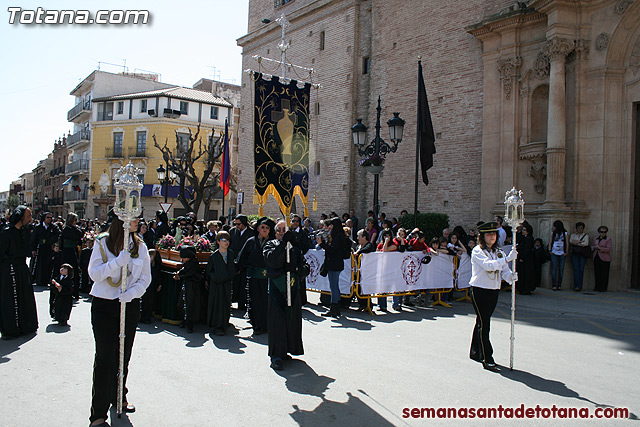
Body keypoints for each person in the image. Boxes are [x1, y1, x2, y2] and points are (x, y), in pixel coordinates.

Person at [87, 214, 151, 426]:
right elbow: (94, 274)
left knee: (124, 354)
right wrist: (116, 263)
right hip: (105, 304)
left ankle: (119, 396)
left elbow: (145, 278)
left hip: (128, 304)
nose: (137, 221)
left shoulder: (140, 245)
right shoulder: (103, 242)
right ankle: (97, 414)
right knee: (106, 357)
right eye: (133, 218)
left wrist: (132, 293)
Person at [469, 221, 517, 371]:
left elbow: (504, 269)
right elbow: (489, 265)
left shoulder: (499, 251)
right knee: (485, 324)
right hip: (479, 289)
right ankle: (487, 357)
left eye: (494, 234)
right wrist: (507, 259)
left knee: (482, 321)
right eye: (489, 234)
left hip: (493, 290)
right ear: (482, 236)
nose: (492, 237)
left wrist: (511, 277)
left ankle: (475, 351)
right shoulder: (477, 251)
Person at [263, 220, 307, 371]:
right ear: (275, 232)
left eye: (285, 230)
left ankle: (286, 349)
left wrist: (296, 268)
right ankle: (275, 355)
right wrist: (283, 245)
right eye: (279, 230)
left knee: (291, 321)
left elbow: (304, 266)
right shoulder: (270, 245)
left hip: (293, 290)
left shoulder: (295, 248)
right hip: (277, 289)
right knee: (277, 322)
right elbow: (272, 260)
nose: (282, 232)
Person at [0, 206, 38, 340]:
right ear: (20, 217)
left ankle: (25, 325)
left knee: (25, 297)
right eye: (28, 216)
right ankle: (11, 328)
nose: (30, 219)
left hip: (22, 268)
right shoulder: (6, 232)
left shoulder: (24, 231)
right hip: (9, 269)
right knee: (11, 299)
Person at [236, 217, 274, 335]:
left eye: (267, 228)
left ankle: (268, 325)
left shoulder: (273, 243)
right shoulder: (251, 241)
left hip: (269, 278)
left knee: (268, 302)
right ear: (257, 228)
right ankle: (257, 325)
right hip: (254, 277)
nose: (264, 230)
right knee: (255, 301)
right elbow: (241, 258)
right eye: (262, 227)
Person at [316, 217, 351, 318]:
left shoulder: (339, 236)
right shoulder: (337, 235)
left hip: (335, 264)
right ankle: (336, 307)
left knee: (334, 287)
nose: (329, 227)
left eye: (331, 225)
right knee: (334, 286)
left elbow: (333, 250)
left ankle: (334, 308)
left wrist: (321, 244)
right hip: (334, 263)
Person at [206, 231, 237, 336]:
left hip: (227, 283)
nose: (226, 242)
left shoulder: (231, 254)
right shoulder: (214, 256)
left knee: (226, 303)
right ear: (218, 242)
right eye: (224, 240)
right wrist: (216, 278)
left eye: (228, 240)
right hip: (217, 284)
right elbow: (209, 271)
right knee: (217, 304)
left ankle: (224, 323)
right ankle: (217, 326)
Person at [173, 246, 203, 333]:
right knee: (181, 303)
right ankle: (184, 320)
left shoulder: (194, 263)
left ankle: (190, 324)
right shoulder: (189, 262)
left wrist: (179, 276)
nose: (183, 260)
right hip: (186, 284)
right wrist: (179, 273)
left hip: (192, 286)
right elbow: (184, 269)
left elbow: (189, 273)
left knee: (190, 304)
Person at [229, 215, 256, 311]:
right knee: (233, 283)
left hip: (245, 262)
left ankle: (242, 303)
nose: (236, 226)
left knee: (243, 284)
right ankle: (231, 302)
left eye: (238, 224)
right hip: (233, 261)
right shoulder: (232, 231)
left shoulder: (251, 233)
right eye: (235, 223)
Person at [30, 211, 59, 287]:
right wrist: (33, 249)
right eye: (47, 217)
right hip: (40, 248)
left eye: (50, 217)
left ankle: (47, 280)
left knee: (48, 264)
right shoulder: (38, 227)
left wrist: (51, 241)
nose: (49, 219)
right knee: (39, 264)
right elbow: (33, 239)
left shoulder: (53, 227)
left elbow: (58, 234)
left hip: (49, 248)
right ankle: (38, 280)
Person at [60, 212, 84, 298]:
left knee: (75, 272)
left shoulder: (74, 229)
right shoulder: (67, 229)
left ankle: (75, 291)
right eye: (75, 220)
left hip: (74, 251)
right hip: (67, 252)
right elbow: (75, 236)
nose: (76, 222)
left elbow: (81, 235)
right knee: (68, 270)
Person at [354, 229, 375, 311]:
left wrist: (358, 253)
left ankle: (368, 304)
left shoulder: (369, 245)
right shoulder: (358, 246)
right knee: (358, 287)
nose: (357, 238)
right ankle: (361, 304)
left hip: (367, 271)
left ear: (364, 237)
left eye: (359, 236)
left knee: (365, 287)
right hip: (358, 270)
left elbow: (367, 250)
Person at [569, 222, 590, 291]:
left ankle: (580, 285)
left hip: (582, 254)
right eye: (578, 228)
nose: (580, 229)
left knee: (581, 269)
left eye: (581, 228)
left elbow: (586, 243)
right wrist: (580, 242)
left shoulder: (586, 235)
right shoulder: (573, 235)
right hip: (575, 253)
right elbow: (571, 241)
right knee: (576, 269)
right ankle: (576, 285)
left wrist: (576, 242)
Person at [515, 222, 535, 295]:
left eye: (524, 230)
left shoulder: (529, 238)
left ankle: (526, 289)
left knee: (526, 274)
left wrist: (523, 257)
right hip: (523, 258)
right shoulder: (524, 238)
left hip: (526, 260)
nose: (523, 231)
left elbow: (527, 249)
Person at [549, 220, 568, 291]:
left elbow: (567, 243)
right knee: (554, 268)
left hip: (562, 253)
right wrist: (550, 250)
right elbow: (550, 241)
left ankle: (559, 284)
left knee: (561, 269)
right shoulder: (553, 233)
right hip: (554, 252)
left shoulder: (565, 233)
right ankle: (554, 285)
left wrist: (566, 251)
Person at [592, 226, 612, 292]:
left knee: (604, 273)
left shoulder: (608, 239)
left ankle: (603, 287)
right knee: (597, 273)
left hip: (605, 258)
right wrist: (594, 247)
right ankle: (597, 286)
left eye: (604, 232)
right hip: (597, 257)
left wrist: (601, 248)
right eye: (601, 232)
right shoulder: (595, 238)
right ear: (599, 232)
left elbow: (609, 249)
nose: (603, 233)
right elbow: (592, 246)